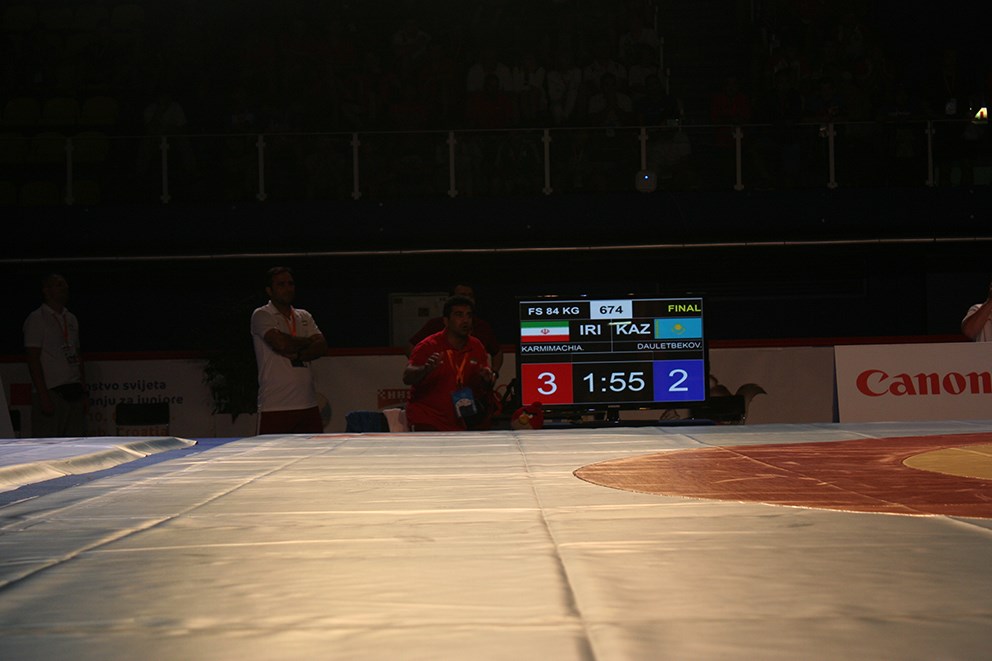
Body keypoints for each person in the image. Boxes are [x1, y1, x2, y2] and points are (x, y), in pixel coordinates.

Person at [251, 267, 328, 434]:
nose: (288, 288)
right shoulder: (262, 314)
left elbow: (322, 346)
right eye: (281, 284)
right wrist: (308, 341)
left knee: (315, 450)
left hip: (308, 403)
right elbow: (281, 344)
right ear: (269, 290)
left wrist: (298, 353)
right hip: (275, 405)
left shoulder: (303, 315)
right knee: (272, 451)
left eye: (290, 284)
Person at [403, 295, 495, 431]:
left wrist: (487, 379)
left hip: (459, 421)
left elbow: (484, 383)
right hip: (427, 419)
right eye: (459, 315)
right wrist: (425, 369)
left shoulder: (476, 346)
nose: (465, 320)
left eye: (469, 315)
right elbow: (407, 377)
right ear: (446, 320)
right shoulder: (428, 345)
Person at [23, 273, 87, 437]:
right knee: (49, 441)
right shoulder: (37, 318)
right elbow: (33, 358)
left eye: (64, 284)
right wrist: (43, 395)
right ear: (46, 290)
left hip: (73, 389)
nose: (64, 288)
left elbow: (77, 354)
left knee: (75, 441)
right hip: (52, 391)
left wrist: (83, 386)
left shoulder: (70, 318)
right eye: (59, 284)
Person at [407, 283, 504, 375]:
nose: (467, 299)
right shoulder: (434, 328)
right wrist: (424, 369)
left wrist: (493, 374)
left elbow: (497, 353)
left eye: (470, 295)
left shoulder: (480, 335)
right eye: (462, 295)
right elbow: (411, 348)